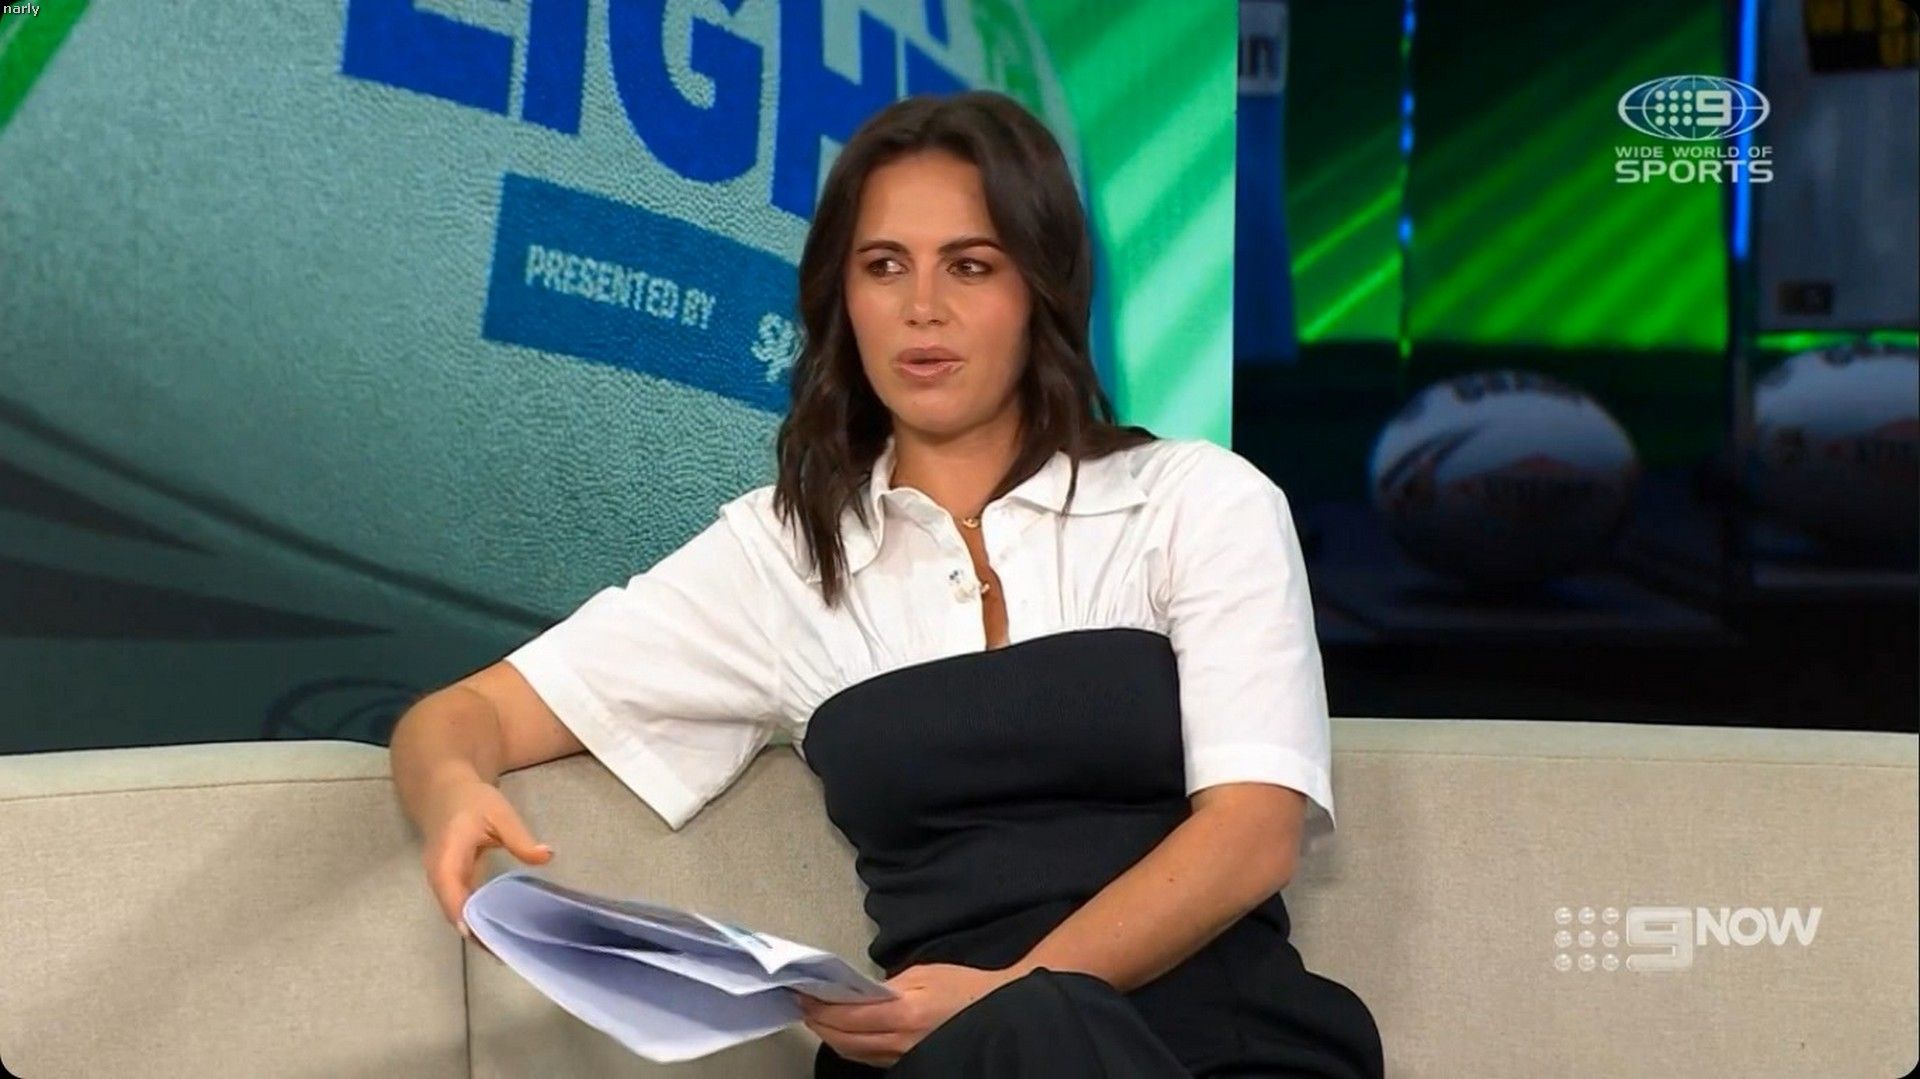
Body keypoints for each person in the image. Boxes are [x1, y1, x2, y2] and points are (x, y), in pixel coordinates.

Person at [388, 90, 1383, 1078]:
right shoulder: (784, 554)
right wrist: (451, 792)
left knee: (1042, 1030)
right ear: (843, 299)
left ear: (1041, 289)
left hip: (1221, 1048)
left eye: (971, 265)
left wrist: (1009, 993)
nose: (922, 307)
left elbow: (1252, 835)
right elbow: (464, 715)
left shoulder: (1195, 500)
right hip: (941, 1055)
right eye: (884, 266)